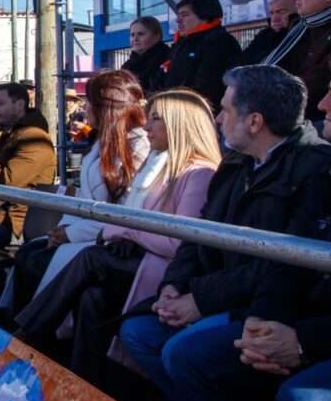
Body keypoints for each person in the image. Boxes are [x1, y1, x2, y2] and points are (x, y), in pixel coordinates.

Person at [159, 37, 331, 401]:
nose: (321, 105)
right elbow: (290, 259)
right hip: (311, 321)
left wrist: (301, 340)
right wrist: (265, 322)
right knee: (188, 354)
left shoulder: (316, 166)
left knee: (306, 400)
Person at [117, 66, 331, 401]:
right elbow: (199, 233)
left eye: (226, 110)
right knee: (139, 332)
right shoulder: (235, 165)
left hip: (262, 305)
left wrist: (199, 300)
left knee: (186, 353)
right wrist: (175, 286)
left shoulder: (314, 170)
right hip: (221, 293)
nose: (218, 119)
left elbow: (282, 265)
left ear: (255, 121)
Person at [14, 89, 220, 385]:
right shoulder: (158, 165)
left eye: (156, 120)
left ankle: (29, 333)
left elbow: (179, 243)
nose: (147, 127)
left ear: (180, 125)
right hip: (134, 260)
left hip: (163, 271)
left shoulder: (198, 173)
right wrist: (126, 232)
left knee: (90, 258)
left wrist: (125, 231)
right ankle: (84, 382)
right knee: (91, 298)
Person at [5, 70, 150, 315]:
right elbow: (84, 199)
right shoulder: (101, 144)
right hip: (82, 230)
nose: (84, 106)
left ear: (105, 107)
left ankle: (36, 337)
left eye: (89, 100)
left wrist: (70, 234)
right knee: (28, 254)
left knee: (39, 263)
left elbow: (123, 212)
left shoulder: (138, 147)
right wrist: (61, 231)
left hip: (109, 239)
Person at [0, 82, 55, 248]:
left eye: (0, 103)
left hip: (12, 222)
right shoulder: (10, 135)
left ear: (19, 105)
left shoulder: (35, 138)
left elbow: (9, 181)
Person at [164, 0, 242, 111]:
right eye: (178, 15)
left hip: (201, 115)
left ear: (205, 16)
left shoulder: (219, 41)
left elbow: (207, 86)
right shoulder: (181, 43)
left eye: (184, 15)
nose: (178, 20)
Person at [236, 0, 298, 66]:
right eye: (272, 13)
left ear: (298, 8)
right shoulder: (263, 36)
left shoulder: (302, 33)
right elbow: (242, 60)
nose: (275, 18)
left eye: (281, 11)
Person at [120, 16, 170, 95]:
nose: (135, 39)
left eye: (141, 34)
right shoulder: (127, 66)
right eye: (132, 35)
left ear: (156, 36)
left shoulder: (168, 58)